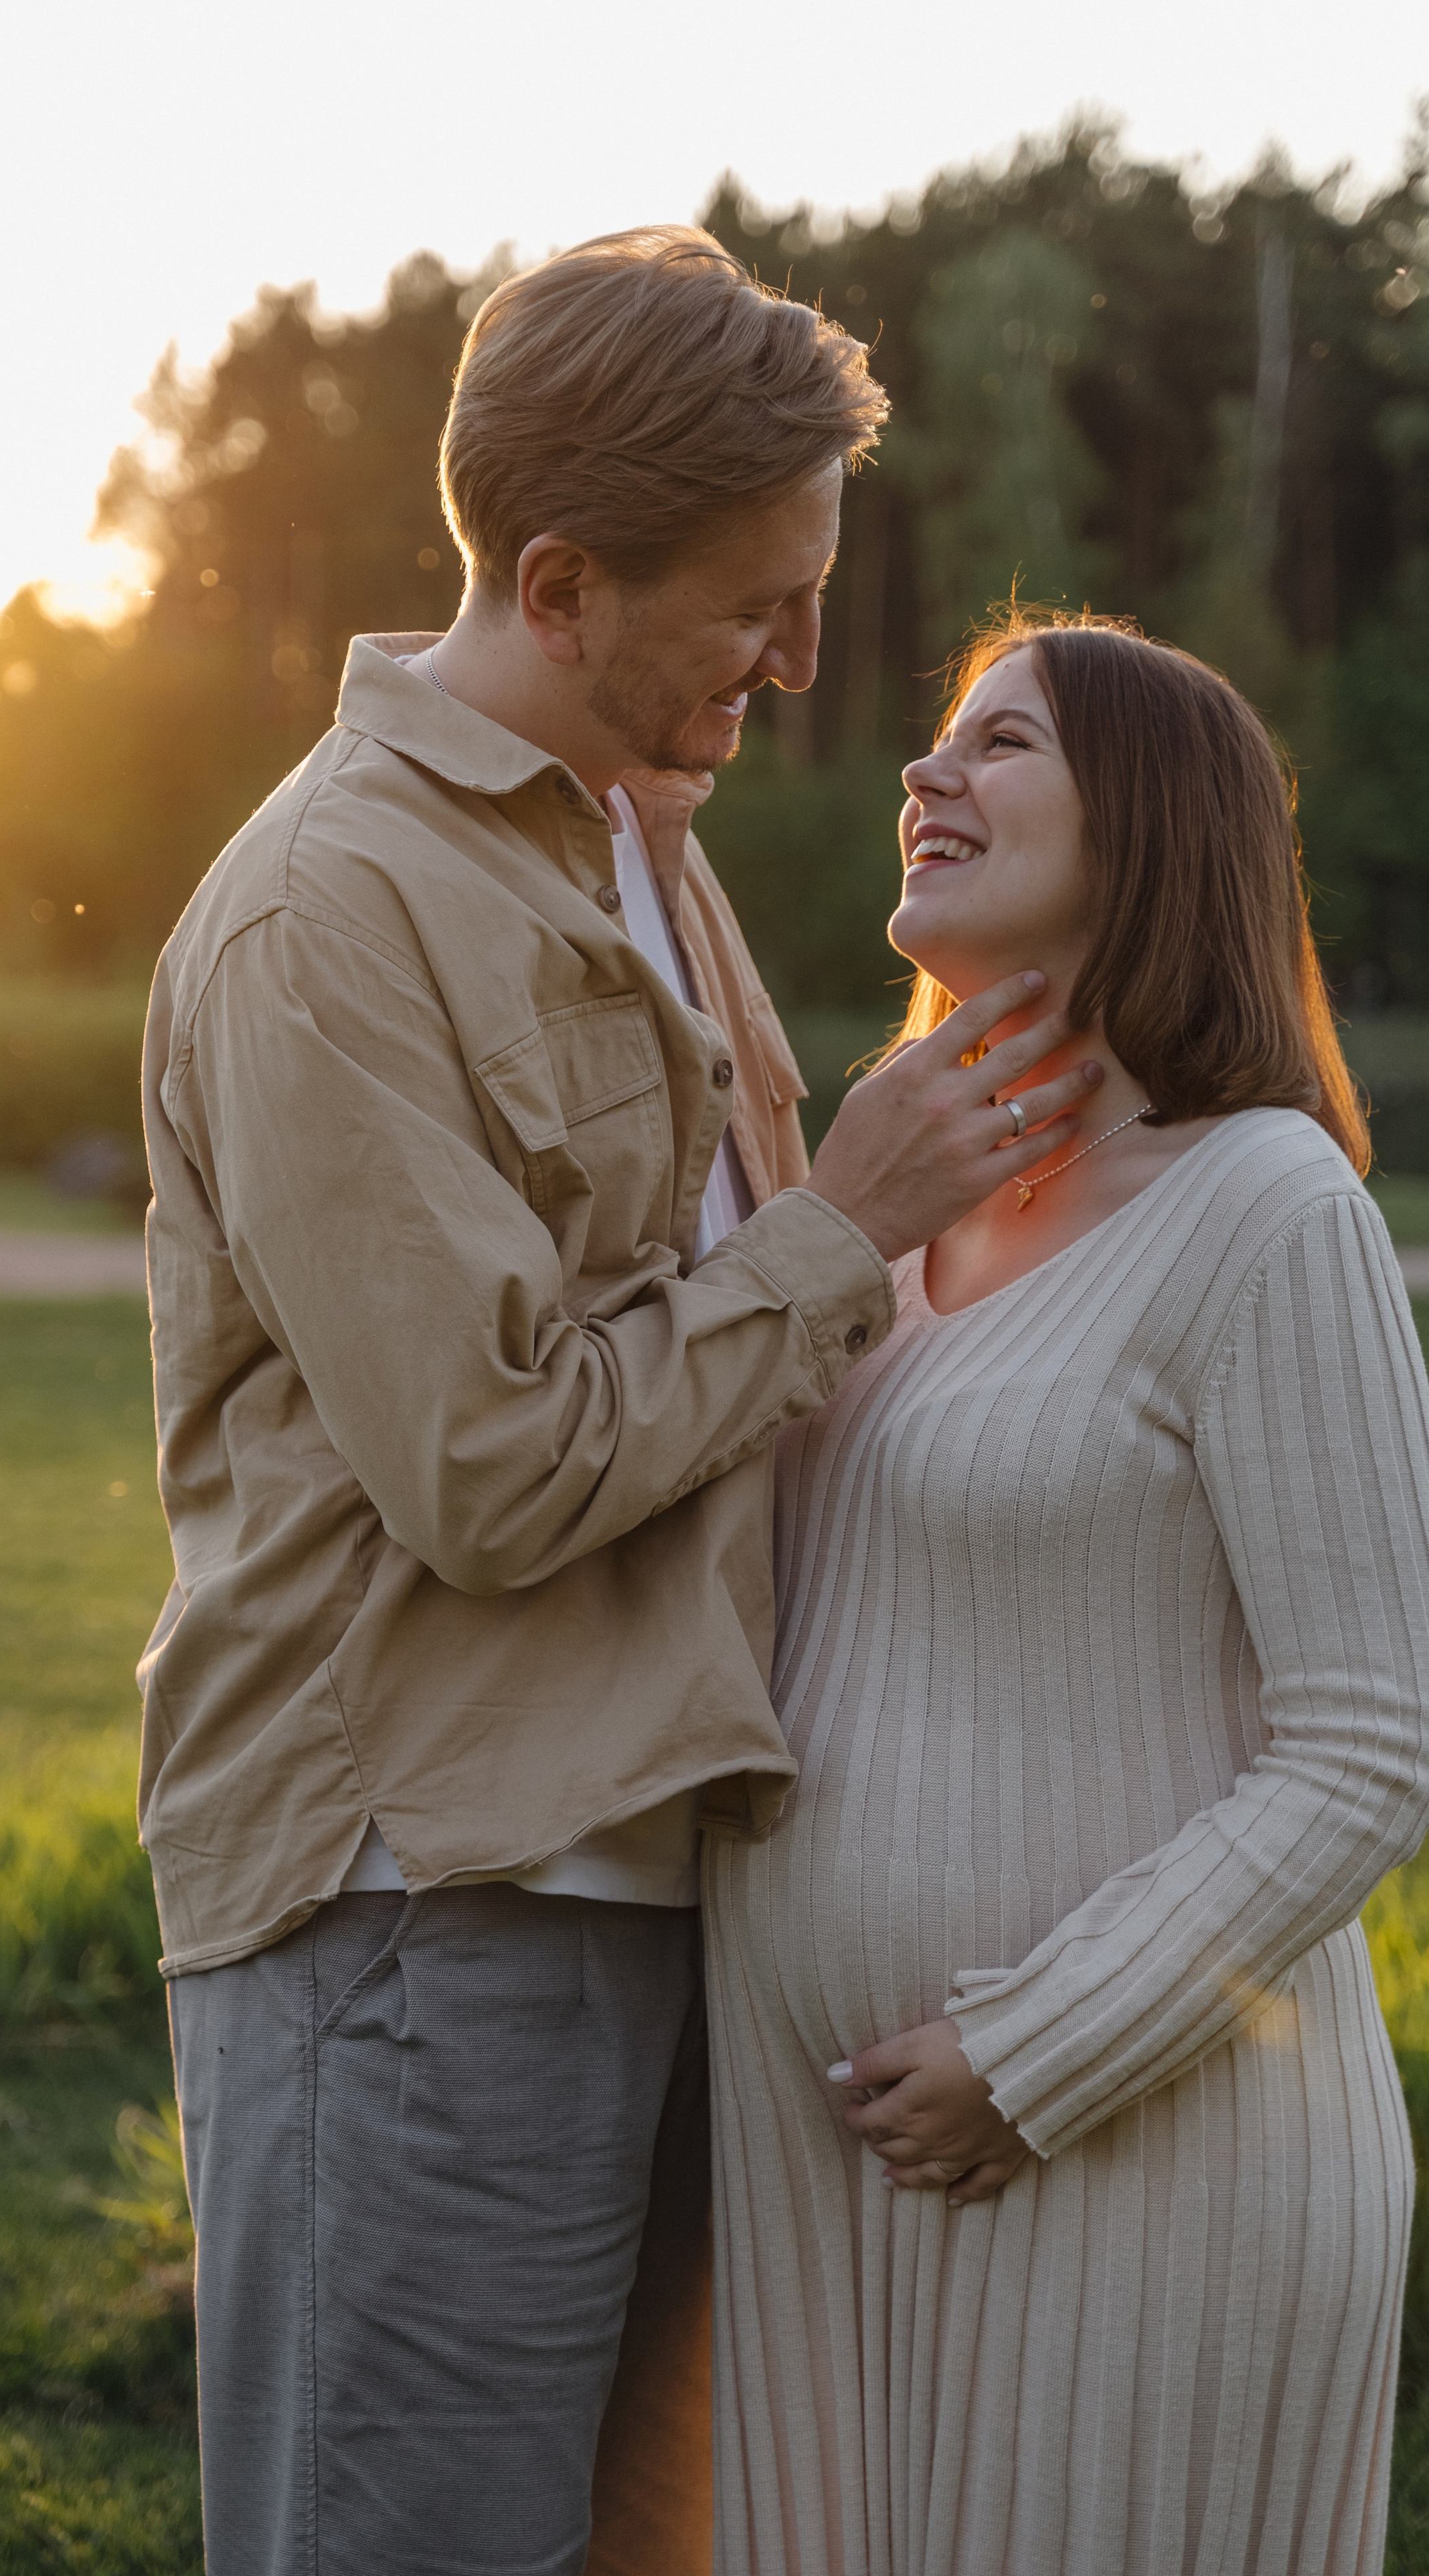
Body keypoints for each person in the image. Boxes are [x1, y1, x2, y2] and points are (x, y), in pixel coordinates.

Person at [136, 231, 1100, 2576]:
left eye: (811, 590)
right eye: (754, 606)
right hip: (422, 1907)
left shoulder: (638, 842)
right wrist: (838, 1222)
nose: (797, 657)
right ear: (559, 581)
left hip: (654, 1879)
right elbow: (490, 1468)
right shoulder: (327, 917)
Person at [705, 611, 1429, 2576]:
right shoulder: (881, 1208)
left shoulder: (1268, 1209)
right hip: (829, 2180)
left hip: (1138, 2158)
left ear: (1155, 828)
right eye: (938, 748)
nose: (925, 779)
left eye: (999, 745)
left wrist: (1039, 2057)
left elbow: (1371, 1742)